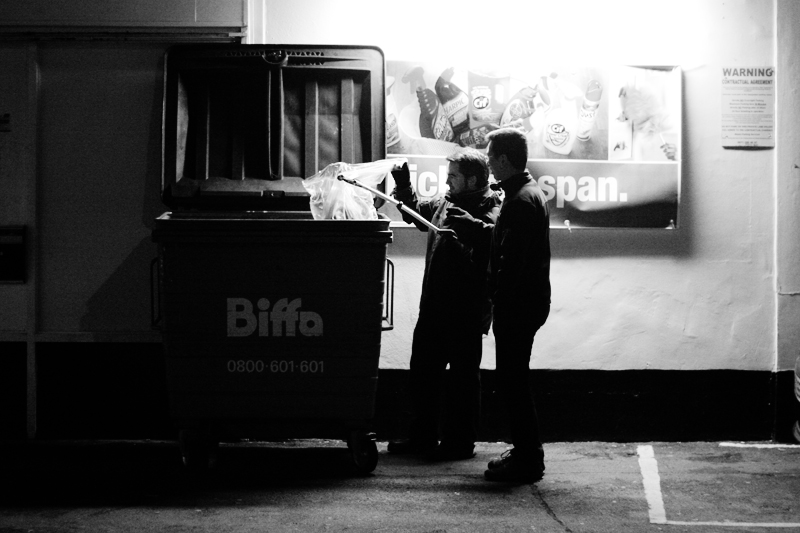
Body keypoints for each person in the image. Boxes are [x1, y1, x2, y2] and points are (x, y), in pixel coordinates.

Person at [387, 148, 502, 461]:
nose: (447, 181)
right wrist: (404, 186)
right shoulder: (445, 201)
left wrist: (469, 227)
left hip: (466, 309)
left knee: (464, 380)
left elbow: (497, 240)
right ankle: (421, 438)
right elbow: (416, 215)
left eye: (453, 176)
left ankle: (460, 443)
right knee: (423, 374)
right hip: (434, 307)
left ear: (473, 178)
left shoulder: (491, 204)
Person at [477, 127, 551, 482]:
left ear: (504, 160)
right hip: (526, 304)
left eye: (491, 156)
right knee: (514, 380)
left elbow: (512, 264)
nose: (488, 163)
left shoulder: (521, 200)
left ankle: (528, 459)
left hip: (518, 307)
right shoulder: (524, 193)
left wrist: (495, 306)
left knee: (513, 383)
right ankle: (525, 451)